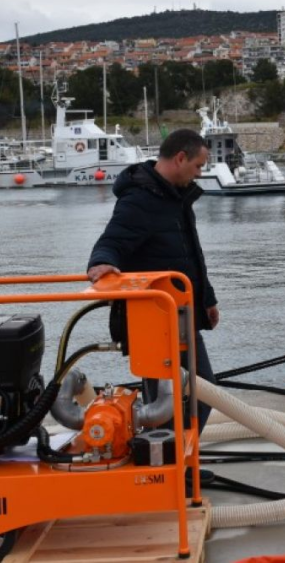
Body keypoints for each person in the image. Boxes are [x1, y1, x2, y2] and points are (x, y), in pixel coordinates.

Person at [87, 128, 219, 440]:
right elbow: (113, 240)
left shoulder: (176, 197)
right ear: (180, 158)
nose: (200, 173)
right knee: (165, 405)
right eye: (198, 166)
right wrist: (100, 262)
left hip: (182, 314)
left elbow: (191, 254)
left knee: (202, 394)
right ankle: (165, 472)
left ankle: (181, 466)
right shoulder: (141, 199)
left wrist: (207, 300)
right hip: (153, 320)